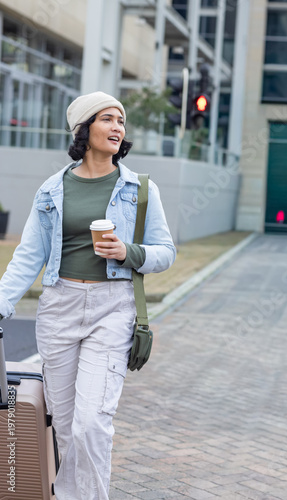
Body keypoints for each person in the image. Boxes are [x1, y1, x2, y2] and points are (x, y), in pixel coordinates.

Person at [0, 91, 176, 500]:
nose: (118, 127)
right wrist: (2, 302)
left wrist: (128, 253)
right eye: (107, 119)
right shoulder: (52, 189)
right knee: (65, 426)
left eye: (121, 121)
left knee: (91, 424)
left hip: (112, 308)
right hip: (59, 308)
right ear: (84, 128)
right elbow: (29, 256)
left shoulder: (139, 188)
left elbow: (165, 252)